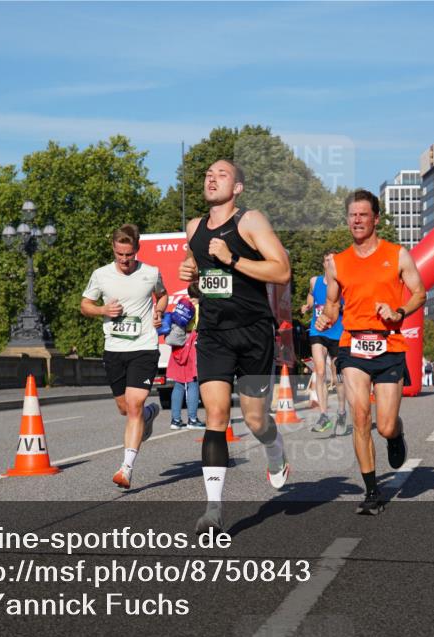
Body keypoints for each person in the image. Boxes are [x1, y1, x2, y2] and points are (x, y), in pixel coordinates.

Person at [178, 159, 292, 534]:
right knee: (216, 416)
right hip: (213, 333)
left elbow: (281, 271)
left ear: (238, 187)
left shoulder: (250, 221)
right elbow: (201, 280)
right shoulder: (194, 228)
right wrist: (191, 277)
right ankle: (213, 509)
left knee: (257, 420)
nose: (211, 178)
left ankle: (274, 451)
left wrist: (234, 258)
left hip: (254, 331)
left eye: (221, 174)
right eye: (208, 174)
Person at [316, 189, 426, 516]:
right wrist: (326, 316)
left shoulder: (397, 255)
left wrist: (399, 311)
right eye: (352, 215)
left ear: (376, 219)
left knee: (386, 425)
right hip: (353, 346)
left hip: (389, 345)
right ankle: (372, 491)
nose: (357, 220)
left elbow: (419, 292)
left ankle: (395, 435)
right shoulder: (338, 262)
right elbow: (333, 305)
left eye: (364, 215)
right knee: (361, 415)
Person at [81, 224, 168, 490]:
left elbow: (162, 296)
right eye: (119, 255)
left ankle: (126, 468)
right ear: (114, 250)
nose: (124, 260)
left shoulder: (150, 273)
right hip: (114, 349)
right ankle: (149, 415)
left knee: (133, 406)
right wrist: (103, 310)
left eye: (128, 255)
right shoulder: (101, 275)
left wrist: (159, 312)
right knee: (125, 408)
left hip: (144, 347)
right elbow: (85, 305)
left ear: (137, 250)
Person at [302, 251, 347, 436]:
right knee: (319, 372)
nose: (330, 262)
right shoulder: (315, 281)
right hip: (317, 330)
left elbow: (350, 304)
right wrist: (309, 305)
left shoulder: (343, 284)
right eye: (327, 259)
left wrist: (338, 307)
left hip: (337, 333)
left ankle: (342, 412)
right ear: (323, 263)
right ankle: (323, 416)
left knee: (337, 378)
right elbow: (311, 295)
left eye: (333, 260)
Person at [165, 295, 205, 430]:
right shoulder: (199, 308)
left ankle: (175, 420)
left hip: (177, 346)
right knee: (193, 383)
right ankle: (192, 419)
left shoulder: (182, 307)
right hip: (191, 345)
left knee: (179, 384)